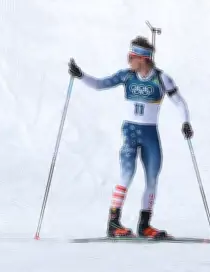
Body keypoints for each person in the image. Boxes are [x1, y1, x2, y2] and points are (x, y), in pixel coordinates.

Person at [68, 36, 193, 239]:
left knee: (152, 179)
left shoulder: (161, 78)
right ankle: (113, 222)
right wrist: (80, 75)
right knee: (126, 175)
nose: (128, 60)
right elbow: (100, 84)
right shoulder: (126, 76)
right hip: (131, 132)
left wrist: (185, 122)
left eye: (132, 57)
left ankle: (144, 225)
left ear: (142, 59)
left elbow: (179, 102)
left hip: (150, 134)